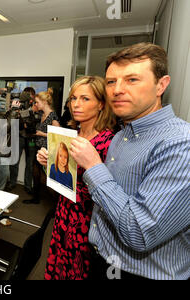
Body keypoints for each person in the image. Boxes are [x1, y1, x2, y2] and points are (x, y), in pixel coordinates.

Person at [70, 43, 189, 280]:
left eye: (132, 80)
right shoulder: (122, 136)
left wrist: (94, 167)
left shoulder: (180, 144)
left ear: (161, 85)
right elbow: (110, 200)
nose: (117, 90)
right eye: (111, 82)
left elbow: (140, 232)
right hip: (101, 259)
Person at [37, 75, 116, 280]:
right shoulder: (72, 134)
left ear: (100, 104)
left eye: (85, 99)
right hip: (64, 212)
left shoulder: (109, 142)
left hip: (88, 220)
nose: (76, 104)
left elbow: (111, 191)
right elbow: (63, 181)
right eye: (73, 98)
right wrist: (49, 164)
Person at [24, 88, 60, 204]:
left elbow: (58, 136)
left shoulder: (52, 117)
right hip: (37, 148)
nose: (35, 104)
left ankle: (56, 203)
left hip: (47, 151)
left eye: (37, 102)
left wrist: (42, 134)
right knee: (36, 174)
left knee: (46, 179)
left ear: (44, 102)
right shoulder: (41, 114)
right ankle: (35, 198)